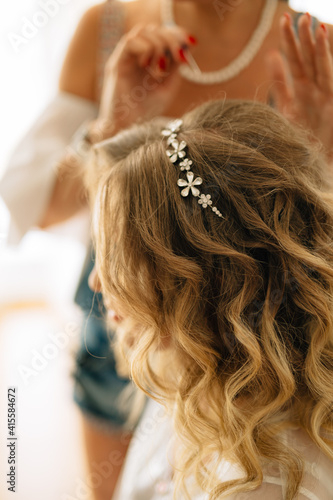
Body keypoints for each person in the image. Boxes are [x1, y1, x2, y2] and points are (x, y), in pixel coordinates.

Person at [1, 1, 332, 498]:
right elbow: (30, 208)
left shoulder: (313, 49)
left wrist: (318, 159)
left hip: (252, 342)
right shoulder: (109, 26)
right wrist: (112, 128)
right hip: (130, 319)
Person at [85, 50, 333, 500]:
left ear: (195, 286)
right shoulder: (197, 370)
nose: (96, 283)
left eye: (117, 257)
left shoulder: (257, 487)